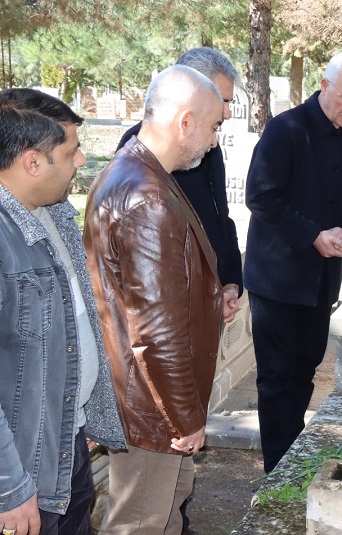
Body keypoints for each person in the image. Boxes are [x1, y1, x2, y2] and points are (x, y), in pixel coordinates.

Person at [83, 65, 225, 535]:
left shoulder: (136, 174)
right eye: (213, 125)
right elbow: (156, 332)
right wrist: (185, 417)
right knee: (141, 523)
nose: (213, 140)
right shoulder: (147, 196)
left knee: (160, 517)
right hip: (153, 408)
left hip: (148, 400)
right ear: (185, 121)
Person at [243, 51, 342, 473]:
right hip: (278, 278)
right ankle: (276, 469)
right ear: (325, 85)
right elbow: (261, 195)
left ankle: (292, 455)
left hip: (322, 278)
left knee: (306, 369)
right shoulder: (286, 129)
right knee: (278, 378)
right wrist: (312, 235)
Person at [0, 89, 125, 535]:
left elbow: (74, 327)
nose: (81, 161)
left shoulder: (52, 215)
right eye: (70, 152)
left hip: (65, 441)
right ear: (33, 162)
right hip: (23, 469)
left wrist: (84, 413)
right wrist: (9, 490)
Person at [117, 47, 243, 323]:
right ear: (192, 92)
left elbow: (220, 217)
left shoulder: (209, 145)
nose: (228, 113)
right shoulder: (142, 151)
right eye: (222, 100)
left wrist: (231, 280)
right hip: (180, 315)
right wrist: (205, 299)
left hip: (211, 302)